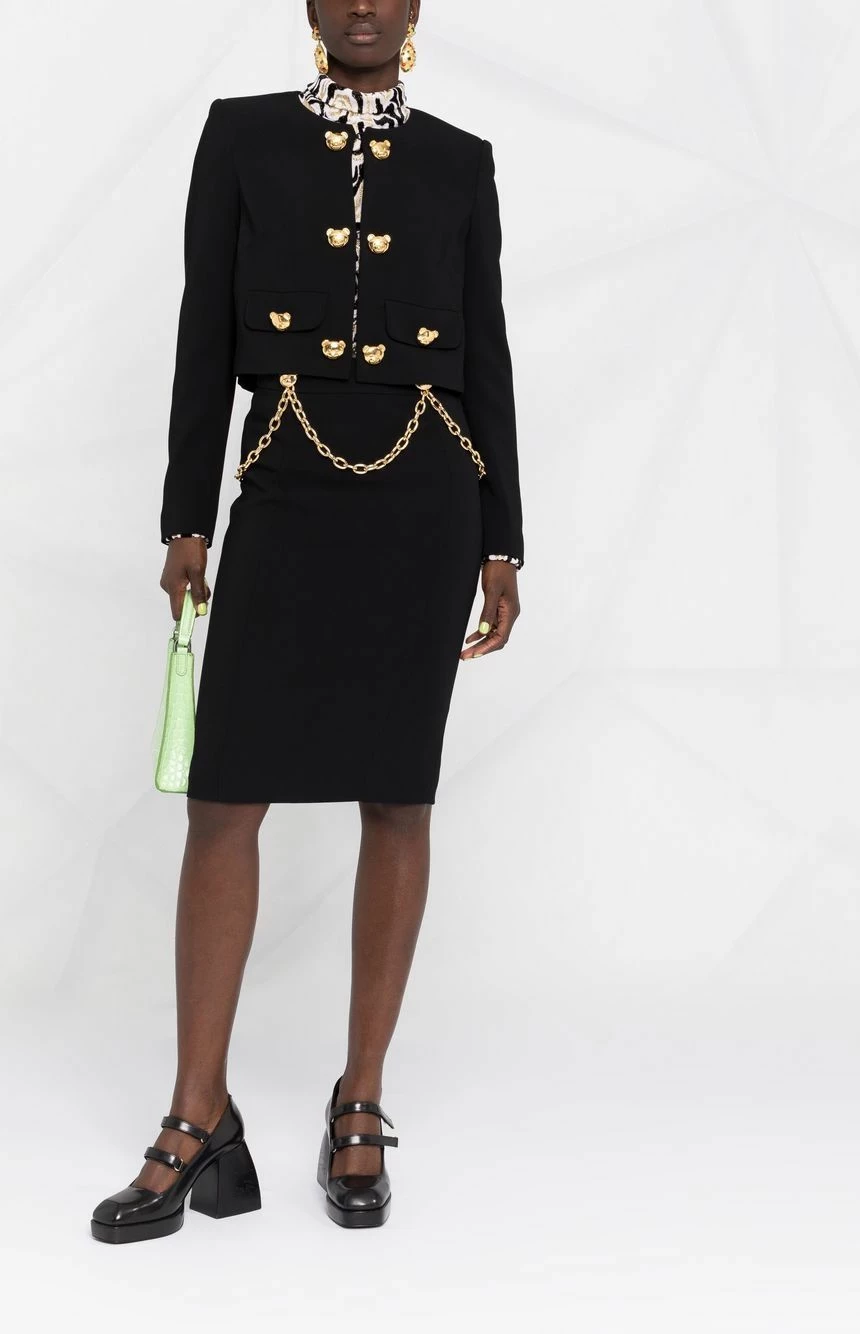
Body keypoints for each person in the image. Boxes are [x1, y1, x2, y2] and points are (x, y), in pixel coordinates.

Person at [90, 0, 523, 1244]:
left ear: (415, 8)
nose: (364, 8)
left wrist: (503, 536)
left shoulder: (460, 161)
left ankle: (360, 1097)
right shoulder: (241, 136)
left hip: (428, 495)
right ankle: (197, 1111)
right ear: (312, 6)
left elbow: (487, 349)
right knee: (226, 797)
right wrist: (187, 516)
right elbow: (200, 329)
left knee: (398, 793)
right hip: (286, 475)